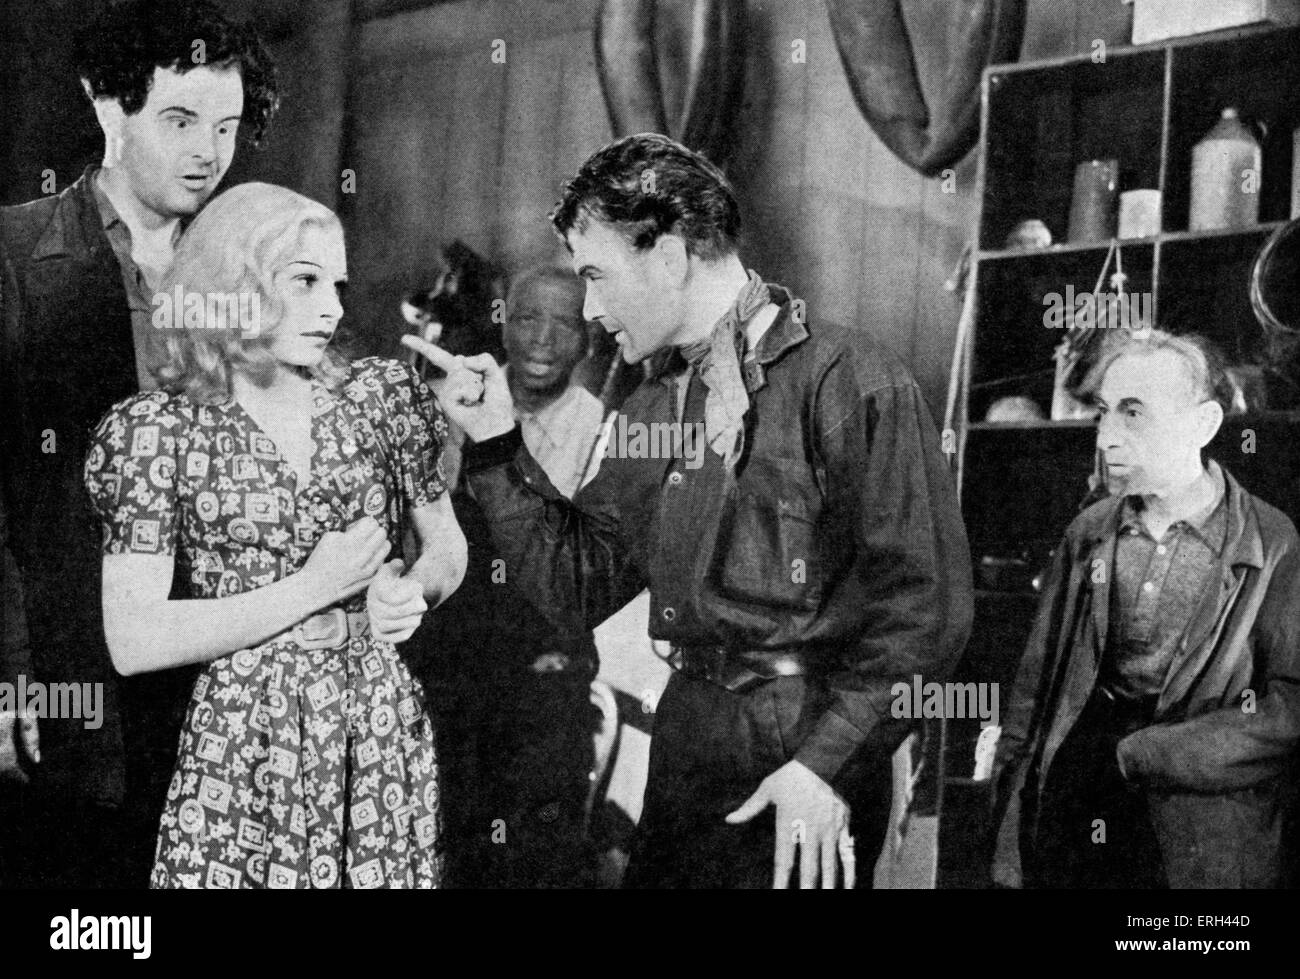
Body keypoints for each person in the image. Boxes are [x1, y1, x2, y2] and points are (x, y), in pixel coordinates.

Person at [405, 133, 973, 888]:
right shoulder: (652, 399)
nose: (594, 311)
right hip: (688, 744)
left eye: (599, 278)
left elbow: (930, 614)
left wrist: (821, 766)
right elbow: (576, 582)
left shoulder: (852, 380)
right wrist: (494, 447)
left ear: (670, 256)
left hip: (808, 763)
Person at [83, 182, 467, 888]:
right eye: (305, 281)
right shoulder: (158, 431)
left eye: (338, 284)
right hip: (244, 739)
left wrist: (413, 592)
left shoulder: (379, 398)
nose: (334, 307)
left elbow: (447, 547)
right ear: (234, 280)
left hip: (375, 731)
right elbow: (133, 640)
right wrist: (311, 588)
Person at [0, 0, 278, 887]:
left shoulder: (257, 274)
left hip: (216, 689)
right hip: (61, 672)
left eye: (228, 127)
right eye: (181, 119)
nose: (208, 151)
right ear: (105, 105)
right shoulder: (11, 254)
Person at [990, 329, 1300, 889]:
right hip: (1083, 807)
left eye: (1133, 414)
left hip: (1205, 835)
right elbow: (1034, 691)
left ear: (1203, 425)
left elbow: (1288, 707)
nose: (1107, 436)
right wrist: (1011, 821)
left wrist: (1149, 754)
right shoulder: (1089, 531)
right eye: (1104, 413)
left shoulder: (1272, 541)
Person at [417, 264, 607, 887]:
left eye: (565, 323)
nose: (543, 340)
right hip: (450, 664)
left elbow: (579, 572)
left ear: (589, 339)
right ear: (503, 322)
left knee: (535, 855)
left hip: (544, 673)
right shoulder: (450, 401)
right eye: (527, 317)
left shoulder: (607, 432)